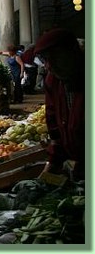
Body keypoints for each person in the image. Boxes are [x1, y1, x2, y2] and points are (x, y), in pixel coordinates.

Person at [34, 28, 84, 181]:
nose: (49, 66)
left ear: (72, 53)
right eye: (45, 60)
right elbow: (53, 123)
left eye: (54, 58)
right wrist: (50, 166)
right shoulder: (53, 81)